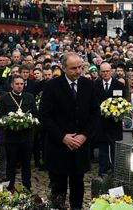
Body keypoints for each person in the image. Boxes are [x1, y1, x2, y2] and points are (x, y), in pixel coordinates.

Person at [39, 52, 100, 210]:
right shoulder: (52, 86)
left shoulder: (89, 84)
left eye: (80, 67)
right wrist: (63, 137)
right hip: (58, 147)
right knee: (58, 189)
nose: (78, 71)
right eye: (73, 68)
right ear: (63, 68)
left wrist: (84, 136)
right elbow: (44, 116)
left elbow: (95, 114)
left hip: (80, 147)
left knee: (78, 187)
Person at [0, 75, 37, 191]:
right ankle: (10, 186)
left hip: (26, 137)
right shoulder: (4, 98)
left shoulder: (29, 97)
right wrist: (11, 122)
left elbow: (35, 114)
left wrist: (29, 120)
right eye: (17, 84)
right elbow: (0, 117)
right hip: (11, 138)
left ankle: (27, 185)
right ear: (12, 85)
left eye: (21, 84)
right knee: (11, 164)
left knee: (26, 163)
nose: (19, 86)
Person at [94, 62, 125, 176]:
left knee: (115, 149)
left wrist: (114, 111)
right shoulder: (95, 85)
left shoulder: (119, 85)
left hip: (114, 123)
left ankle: (115, 172)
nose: (106, 73)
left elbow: (122, 102)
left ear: (111, 71)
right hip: (101, 123)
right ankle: (102, 171)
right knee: (102, 149)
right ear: (100, 72)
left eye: (107, 71)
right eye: (103, 71)